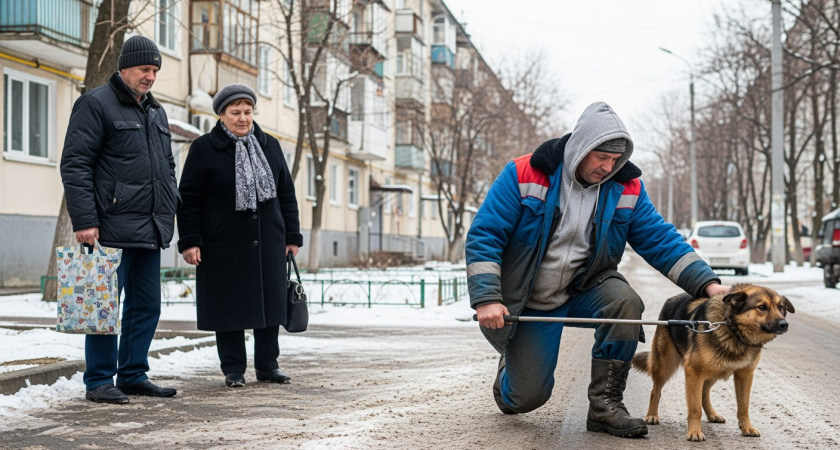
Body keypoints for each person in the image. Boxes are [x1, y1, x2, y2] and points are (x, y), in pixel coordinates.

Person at [466, 101, 731, 438]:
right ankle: (512, 373)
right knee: (525, 398)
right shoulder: (523, 173)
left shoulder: (627, 187)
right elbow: (485, 235)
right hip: (527, 299)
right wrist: (487, 297)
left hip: (585, 287)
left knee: (625, 302)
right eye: (601, 158)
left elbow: (660, 239)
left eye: (615, 160)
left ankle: (606, 405)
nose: (608, 167)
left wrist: (708, 284)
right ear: (580, 148)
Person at [60, 35, 180, 404]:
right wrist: (84, 220)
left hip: (150, 226)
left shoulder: (156, 112)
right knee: (104, 306)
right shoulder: (95, 104)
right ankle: (98, 380)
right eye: (145, 69)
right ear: (125, 67)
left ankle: (132, 374)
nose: (150, 77)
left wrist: (170, 205)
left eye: (155, 70)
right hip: (109, 227)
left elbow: (167, 166)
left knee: (147, 306)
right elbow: (75, 164)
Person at [177, 83, 303, 388]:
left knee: (270, 305)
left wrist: (292, 235)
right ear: (221, 115)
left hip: (268, 239)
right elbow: (188, 198)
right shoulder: (204, 148)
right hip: (222, 242)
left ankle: (268, 366)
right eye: (235, 112)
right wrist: (190, 240)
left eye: (248, 112)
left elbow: (286, 192)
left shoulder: (269, 145)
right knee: (228, 306)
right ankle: (233, 369)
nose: (243, 118)